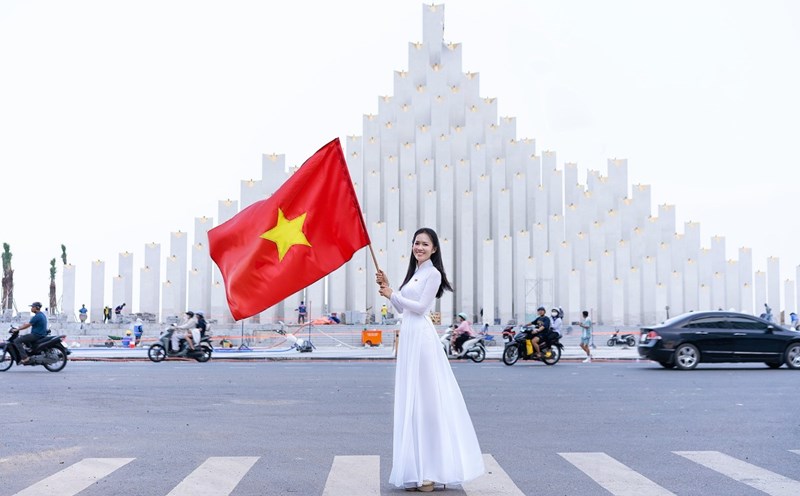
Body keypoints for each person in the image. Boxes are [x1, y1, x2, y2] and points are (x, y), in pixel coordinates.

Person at [376, 227, 484, 492]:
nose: (419, 247)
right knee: (412, 402)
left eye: (425, 244)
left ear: (434, 249)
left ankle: (431, 472)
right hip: (409, 336)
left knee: (427, 401)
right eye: (416, 243)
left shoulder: (433, 274)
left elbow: (421, 308)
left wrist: (393, 294)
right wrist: (388, 287)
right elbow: (402, 308)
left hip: (422, 339)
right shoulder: (415, 273)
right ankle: (416, 469)